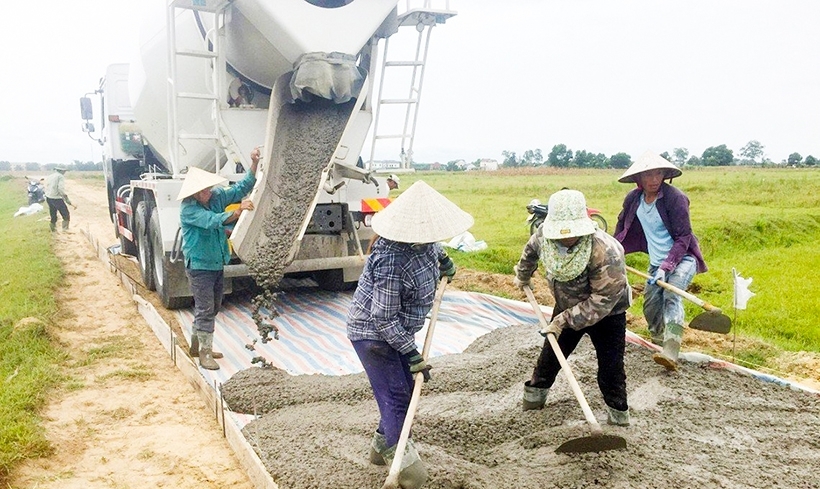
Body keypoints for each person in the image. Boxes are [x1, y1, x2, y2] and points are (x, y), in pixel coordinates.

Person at [347, 180, 472, 489]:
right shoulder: (393, 257)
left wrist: (443, 261)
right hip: (373, 334)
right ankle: (405, 466)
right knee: (399, 397)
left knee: (401, 389)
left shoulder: (423, 241)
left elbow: (433, 247)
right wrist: (411, 352)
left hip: (397, 330)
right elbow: (382, 316)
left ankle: (380, 446)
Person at [513, 189, 632, 426]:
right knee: (548, 360)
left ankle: (619, 419)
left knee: (611, 370)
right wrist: (523, 276)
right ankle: (532, 406)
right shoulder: (544, 237)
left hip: (608, 314)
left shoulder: (605, 251)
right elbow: (530, 253)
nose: (565, 238)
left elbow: (602, 301)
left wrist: (562, 321)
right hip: (567, 304)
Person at [614, 151, 708, 371]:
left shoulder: (675, 198)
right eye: (648, 175)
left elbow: (684, 237)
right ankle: (658, 345)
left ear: (665, 175)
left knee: (671, 294)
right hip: (657, 264)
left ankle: (671, 349)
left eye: (658, 174)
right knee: (651, 307)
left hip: (683, 259)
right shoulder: (633, 199)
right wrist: (612, 250)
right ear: (639, 178)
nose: (654, 180)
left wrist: (667, 267)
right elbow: (622, 227)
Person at [178, 148, 260, 370]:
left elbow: (241, 189)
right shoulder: (188, 210)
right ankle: (205, 353)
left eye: (209, 189)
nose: (209, 192)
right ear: (195, 193)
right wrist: (237, 212)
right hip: (199, 265)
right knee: (206, 308)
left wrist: (253, 164)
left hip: (216, 262)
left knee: (214, 306)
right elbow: (212, 221)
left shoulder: (215, 197)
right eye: (205, 190)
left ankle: (197, 345)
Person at [44, 166, 77, 232]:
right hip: (56, 198)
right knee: (65, 214)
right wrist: (68, 201)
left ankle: (53, 229)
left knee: (53, 213)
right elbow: (60, 189)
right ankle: (65, 230)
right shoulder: (60, 177)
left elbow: (46, 186)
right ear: (62, 171)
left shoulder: (51, 176)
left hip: (49, 197)